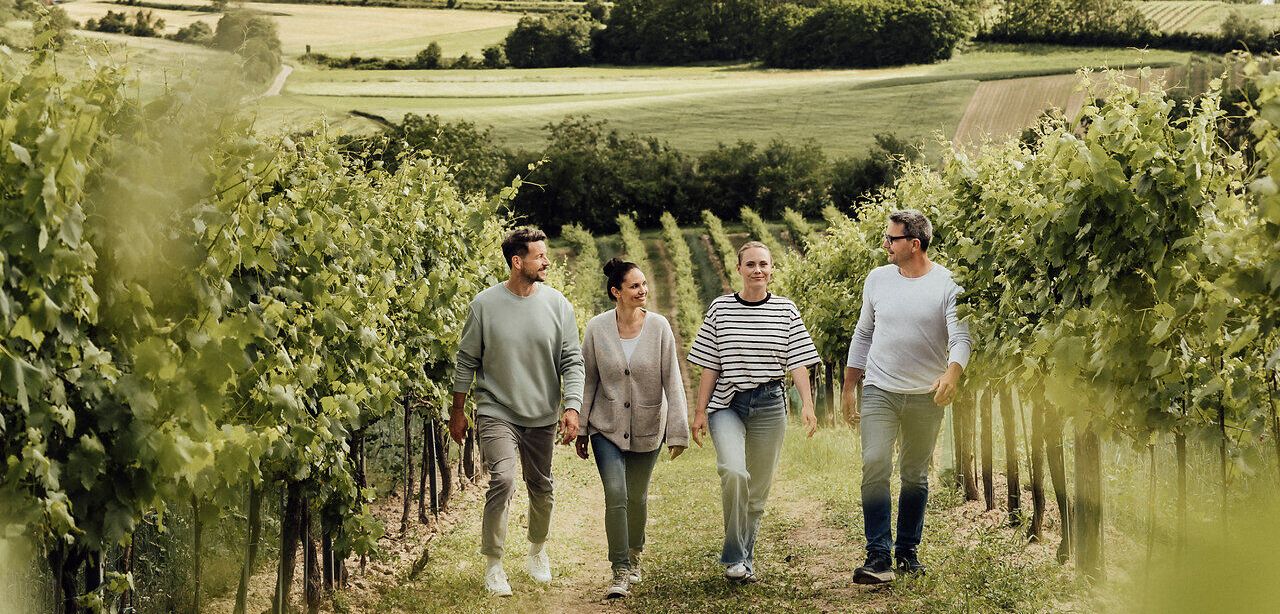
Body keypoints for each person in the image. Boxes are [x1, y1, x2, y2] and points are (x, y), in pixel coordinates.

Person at [449, 227, 585, 597]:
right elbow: (466, 361)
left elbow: (572, 361)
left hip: (542, 412)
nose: (546, 262)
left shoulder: (558, 305)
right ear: (517, 261)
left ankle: (537, 550)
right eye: (540, 256)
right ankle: (494, 565)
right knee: (503, 480)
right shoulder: (484, 305)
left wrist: (572, 407)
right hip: (497, 409)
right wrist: (458, 411)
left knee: (541, 485)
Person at [842, 209, 972, 584]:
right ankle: (878, 555)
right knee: (875, 463)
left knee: (914, 475)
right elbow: (863, 334)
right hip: (879, 389)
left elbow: (961, 338)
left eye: (891, 238)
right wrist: (849, 387)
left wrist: (952, 373)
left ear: (914, 244)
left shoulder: (948, 284)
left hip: (924, 396)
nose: (885, 243)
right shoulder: (877, 279)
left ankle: (907, 552)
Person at [687, 240, 820, 584]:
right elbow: (710, 364)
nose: (757, 270)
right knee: (734, 472)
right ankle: (735, 556)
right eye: (750, 264)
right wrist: (699, 411)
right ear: (739, 269)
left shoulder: (786, 310)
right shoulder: (720, 308)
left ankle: (744, 559)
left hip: (770, 404)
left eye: (763, 264)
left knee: (757, 491)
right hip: (727, 403)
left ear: (771, 269)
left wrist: (807, 405)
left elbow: (798, 362)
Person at [575, 258, 690, 599]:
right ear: (617, 292)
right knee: (616, 493)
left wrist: (677, 431)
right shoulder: (596, 329)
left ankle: (635, 552)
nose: (643, 290)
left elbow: (672, 380)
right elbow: (588, 380)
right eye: (635, 286)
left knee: (637, 496)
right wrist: (581, 427)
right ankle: (620, 568)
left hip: (648, 425)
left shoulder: (659, 327)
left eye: (644, 284)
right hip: (606, 426)